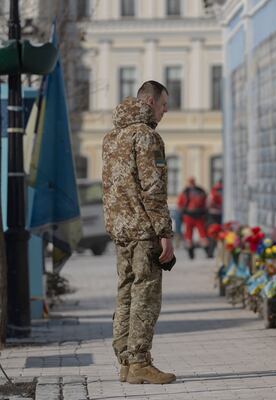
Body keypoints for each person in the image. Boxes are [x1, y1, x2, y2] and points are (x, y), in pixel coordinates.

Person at [102, 80, 176, 384]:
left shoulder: (111, 137)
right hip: (144, 229)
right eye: (163, 106)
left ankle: (125, 362)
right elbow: (153, 189)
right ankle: (140, 362)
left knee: (126, 293)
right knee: (146, 295)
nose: (164, 113)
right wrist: (165, 234)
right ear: (148, 101)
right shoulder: (147, 137)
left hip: (121, 229)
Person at [177, 177, 209, 259]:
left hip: (193, 215)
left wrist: (181, 214)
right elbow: (205, 203)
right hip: (192, 216)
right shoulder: (199, 191)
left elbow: (180, 205)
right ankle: (203, 253)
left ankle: (194, 254)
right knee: (195, 235)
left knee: (199, 235)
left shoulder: (186, 192)